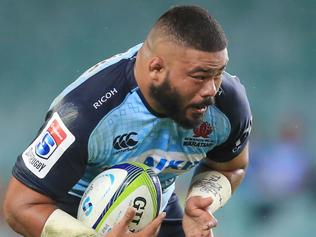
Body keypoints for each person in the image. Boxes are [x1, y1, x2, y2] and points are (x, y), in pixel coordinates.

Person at [3, 5, 252, 237]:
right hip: (72, 210)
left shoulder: (228, 105)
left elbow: (230, 167)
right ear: (156, 69)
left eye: (218, 74)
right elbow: (19, 205)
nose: (211, 89)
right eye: (199, 76)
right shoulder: (84, 112)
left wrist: (202, 197)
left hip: (157, 203)